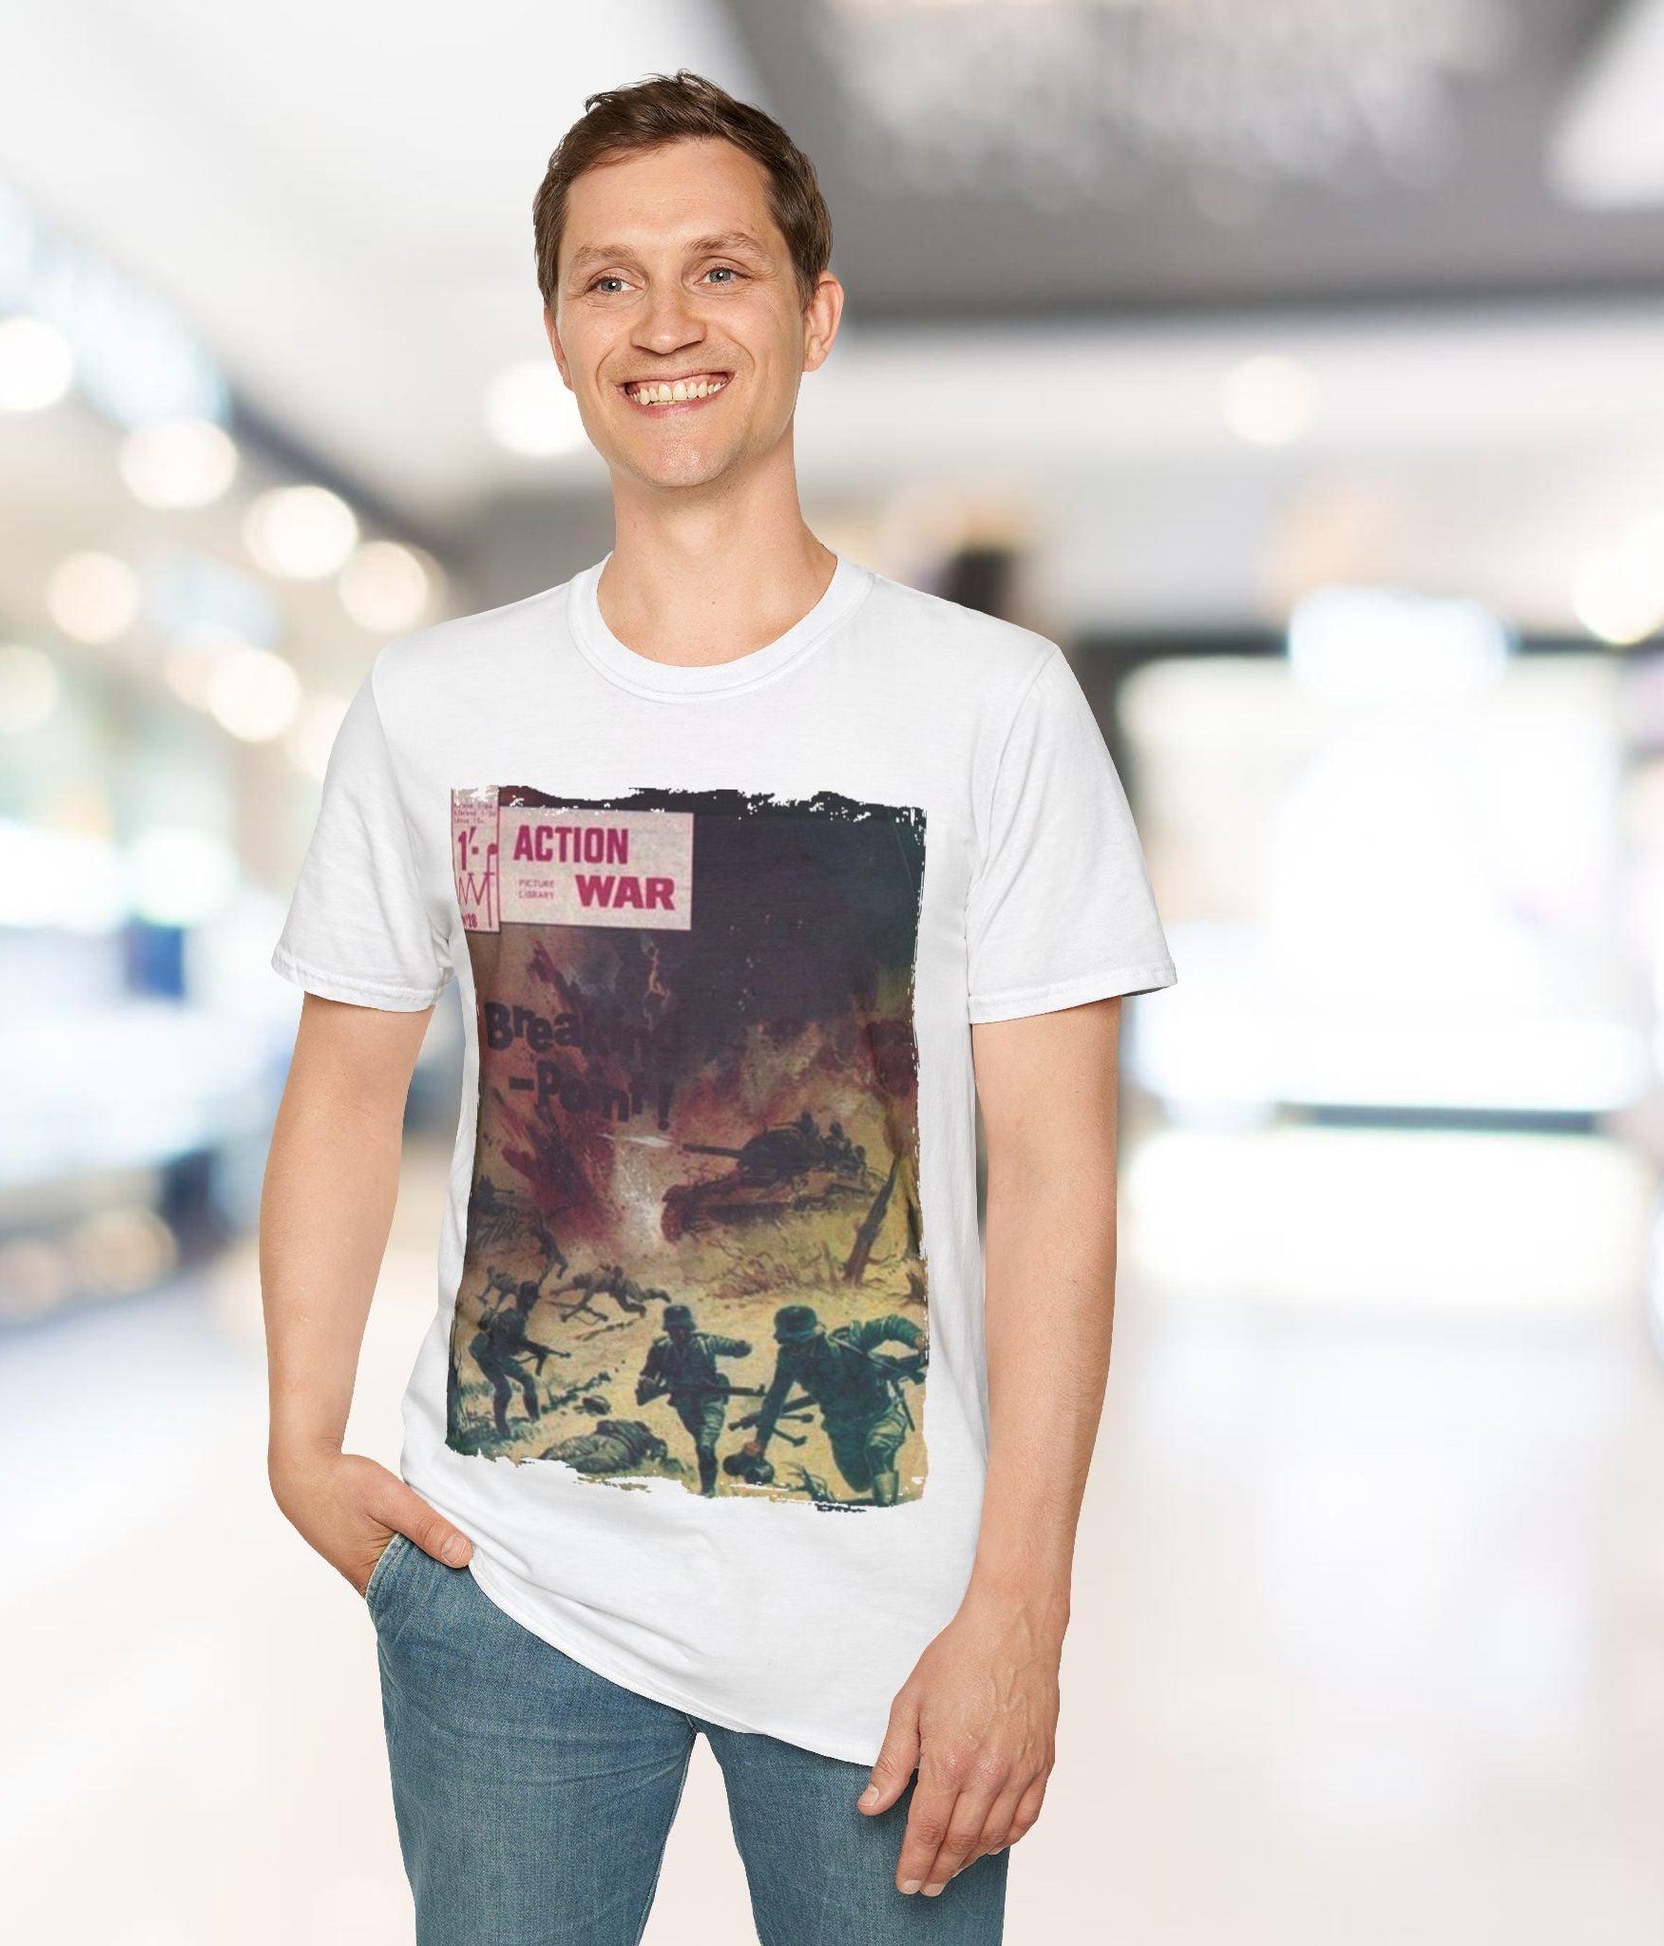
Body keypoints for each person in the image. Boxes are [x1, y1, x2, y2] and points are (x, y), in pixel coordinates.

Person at [260, 70, 1175, 1945]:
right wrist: (299, 1434)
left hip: (891, 1620)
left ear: (812, 315)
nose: (663, 324)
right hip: (504, 1594)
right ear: (558, 334)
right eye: (609, 282)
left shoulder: (989, 706)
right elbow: (349, 1082)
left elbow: (1059, 1175)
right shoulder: (441, 705)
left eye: (719, 272)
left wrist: (1022, 1606)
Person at [741, 1302, 926, 1507]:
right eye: (787, 1343)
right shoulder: (789, 1361)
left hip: (879, 1416)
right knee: (859, 1482)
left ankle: (888, 1513)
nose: (792, 1349)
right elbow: (775, 1399)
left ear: (813, 1338)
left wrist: (918, 1339)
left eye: (796, 1343)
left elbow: (890, 1324)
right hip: (841, 1428)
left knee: (877, 1449)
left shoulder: (850, 1342)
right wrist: (761, 1441)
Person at [635, 1301, 752, 1495]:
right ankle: (708, 1487)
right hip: (684, 1402)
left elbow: (735, 1348)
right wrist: (647, 1382)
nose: (679, 1333)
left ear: (689, 1328)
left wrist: (741, 1347)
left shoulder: (706, 1342)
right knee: (701, 1443)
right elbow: (648, 1373)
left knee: (705, 1443)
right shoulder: (661, 1349)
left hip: (710, 1399)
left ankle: (708, 1490)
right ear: (668, 1330)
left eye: (683, 1329)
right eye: (674, 1329)